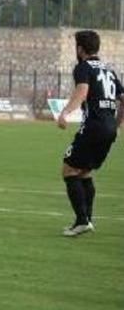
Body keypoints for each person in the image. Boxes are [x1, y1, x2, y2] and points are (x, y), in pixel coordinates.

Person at [55, 30, 123, 237]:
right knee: (84, 171)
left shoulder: (83, 68)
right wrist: (117, 126)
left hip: (93, 126)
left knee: (68, 169)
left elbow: (82, 92)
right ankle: (87, 220)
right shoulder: (109, 70)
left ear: (80, 49)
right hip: (109, 127)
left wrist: (65, 112)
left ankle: (82, 220)